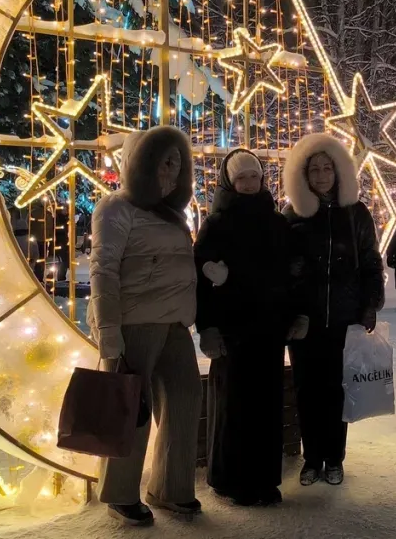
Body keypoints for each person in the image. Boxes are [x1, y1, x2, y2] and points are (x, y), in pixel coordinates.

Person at [88, 125, 201, 526]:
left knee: (186, 401)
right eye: (162, 162)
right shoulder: (115, 207)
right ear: (141, 163)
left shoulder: (173, 214)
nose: (170, 171)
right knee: (130, 410)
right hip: (133, 324)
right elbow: (103, 271)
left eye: (177, 163)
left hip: (174, 324)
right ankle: (120, 493)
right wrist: (109, 333)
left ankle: (172, 487)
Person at [194, 149, 297, 507]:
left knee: (267, 406)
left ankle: (265, 480)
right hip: (232, 331)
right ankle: (230, 480)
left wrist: (291, 314)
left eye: (254, 176)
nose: (249, 183)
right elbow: (200, 279)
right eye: (242, 178)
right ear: (230, 181)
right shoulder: (216, 224)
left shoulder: (277, 222)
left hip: (269, 329)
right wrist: (207, 326)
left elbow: (289, 273)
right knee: (233, 406)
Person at [282, 133, 384, 487]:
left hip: (344, 318)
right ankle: (312, 458)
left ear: (338, 171)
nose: (322, 175)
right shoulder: (293, 215)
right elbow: (282, 272)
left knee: (337, 389)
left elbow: (371, 262)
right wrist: (290, 311)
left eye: (327, 168)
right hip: (304, 322)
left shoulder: (355, 213)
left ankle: (334, 457)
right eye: (315, 169)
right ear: (304, 174)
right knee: (307, 390)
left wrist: (369, 304)